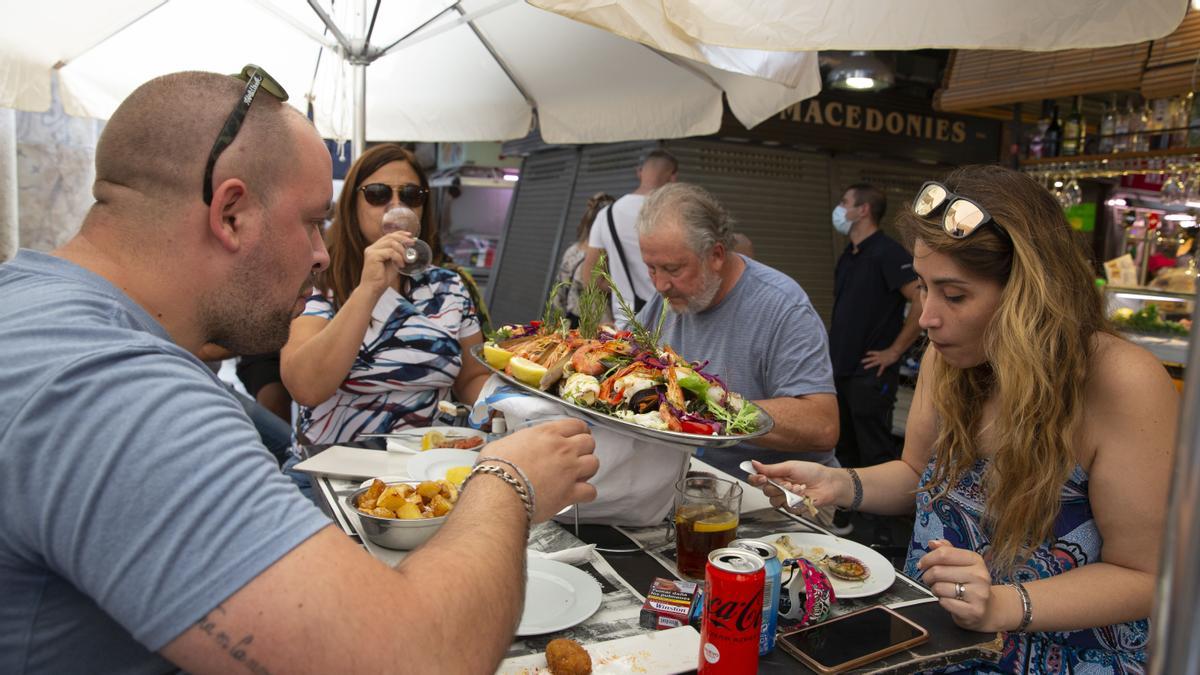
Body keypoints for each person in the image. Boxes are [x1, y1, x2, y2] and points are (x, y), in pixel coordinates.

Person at [0, 69, 598, 674]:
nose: (319, 251)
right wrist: (510, 482)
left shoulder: (40, 312)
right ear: (230, 213)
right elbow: (417, 659)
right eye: (312, 221)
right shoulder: (117, 391)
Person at [751, 166, 1176, 673]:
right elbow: (917, 476)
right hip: (932, 638)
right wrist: (838, 483)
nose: (928, 317)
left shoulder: (1122, 381)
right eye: (924, 288)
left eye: (954, 295)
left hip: (1065, 656)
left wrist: (1000, 605)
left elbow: (1147, 576)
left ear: (1031, 295)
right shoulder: (949, 359)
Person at [281, 143, 493, 446]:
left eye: (411, 195)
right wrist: (369, 289)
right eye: (378, 194)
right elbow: (306, 387)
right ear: (352, 204)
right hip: (334, 468)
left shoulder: (448, 286)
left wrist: (508, 409)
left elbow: (472, 378)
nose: (397, 207)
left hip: (426, 471)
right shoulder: (317, 281)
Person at [634, 182, 840, 481]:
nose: (660, 285)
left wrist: (707, 406)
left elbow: (822, 425)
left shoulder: (782, 307)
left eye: (673, 269)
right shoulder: (666, 298)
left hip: (777, 491)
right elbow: (627, 356)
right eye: (651, 269)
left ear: (716, 254)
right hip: (688, 478)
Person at [829, 184, 922, 471]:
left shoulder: (888, 253)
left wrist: (894, 351)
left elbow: (921, 301)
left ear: (863, 210)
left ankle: (877, 516)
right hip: (841, 369)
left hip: (871, 373)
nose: (839, 209)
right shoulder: (850, 254)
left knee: (874, 448)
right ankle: (845, 513)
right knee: (844, 446)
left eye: (845, 202)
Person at [581, 149, 678, 324]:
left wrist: (620, 287)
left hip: (627, 323)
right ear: (672, 177)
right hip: (672, 322)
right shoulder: (676, 213)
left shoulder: (607, 214)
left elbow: (590, 277)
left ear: (639, 172)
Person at [553, 192, 615, 326]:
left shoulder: (572, 251)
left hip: (571, 321)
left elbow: (559, 294)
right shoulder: (604, 257)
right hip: (599, 326)